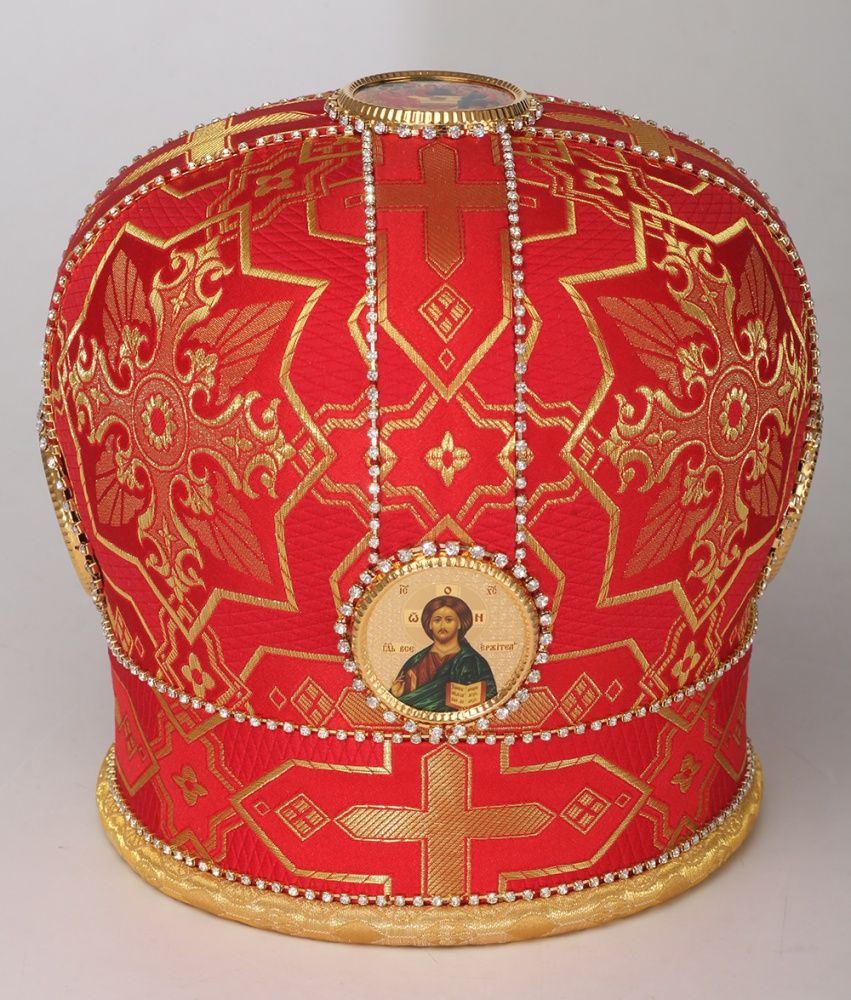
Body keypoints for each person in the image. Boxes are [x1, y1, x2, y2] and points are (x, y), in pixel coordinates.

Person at [389, 595, 497, 712]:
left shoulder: (473, 661)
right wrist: (395, 695)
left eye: (449, 620)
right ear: (430, 624)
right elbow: (401, 705)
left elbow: (490, 698)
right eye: (437, 620)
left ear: (460, 624)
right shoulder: (416, 663)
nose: (442, 625)